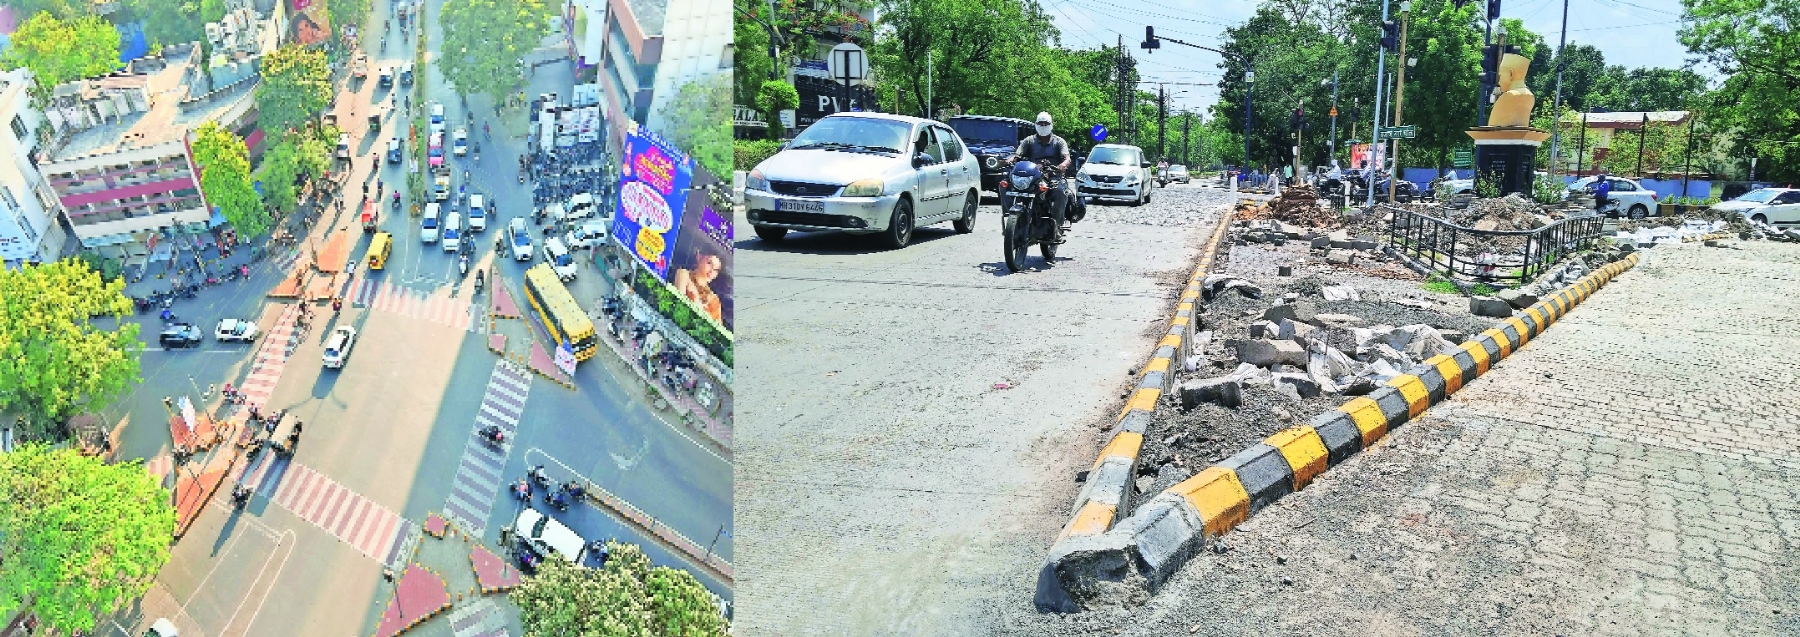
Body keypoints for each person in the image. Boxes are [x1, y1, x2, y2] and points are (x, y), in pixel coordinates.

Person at [1007, 111, 1073, 242]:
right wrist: (1012, 159)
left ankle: (1057, 226)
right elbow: (1018, 154)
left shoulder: (1059, 142)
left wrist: (1063, 165)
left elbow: (1067, 158)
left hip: (1053, 176)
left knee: (1060, 192)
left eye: (1046, 123)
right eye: (1040, 123)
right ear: (1036, 124)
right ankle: (1012, 218)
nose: (1043, 126)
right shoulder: (1029, 141)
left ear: (1051, 125)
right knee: (1006, 185)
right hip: (1033, 176)